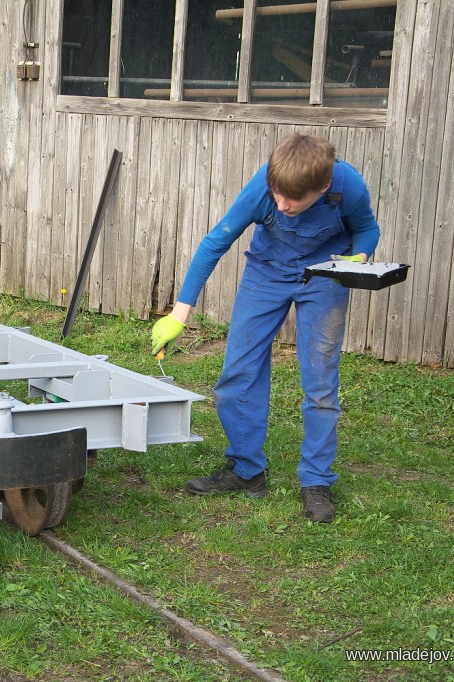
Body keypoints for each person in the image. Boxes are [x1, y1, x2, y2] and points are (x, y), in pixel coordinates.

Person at [150, 133, 379, 523]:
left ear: (323, 188)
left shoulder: (348, 188)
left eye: (294, 200)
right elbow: (214, 243)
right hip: (266, 273)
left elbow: (367, 230)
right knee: (237, 376)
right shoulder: (264, 189)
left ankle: (317, 481)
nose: (282, 204)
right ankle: (245, 470)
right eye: (277, 194)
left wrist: (359, 257)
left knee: (320, 385)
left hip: (325, 277)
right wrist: (179, 313)